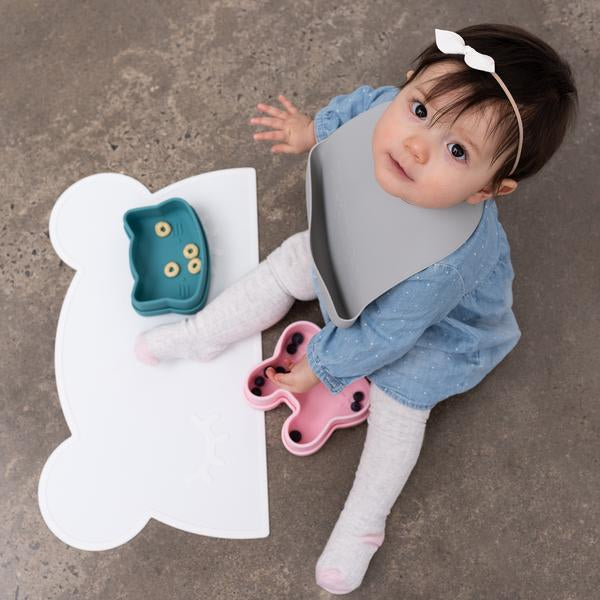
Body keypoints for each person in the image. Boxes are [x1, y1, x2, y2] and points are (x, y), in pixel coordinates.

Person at [134, 24, 578, 594]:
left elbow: (387, 334)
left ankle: (363, 522)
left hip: (438, 330)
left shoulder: (449, 263)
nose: (416, 145)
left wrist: (319, 366)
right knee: (296, 256)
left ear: (487, 190)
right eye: (420, 109)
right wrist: (311, 130)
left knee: (400, 399)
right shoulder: (384, 111)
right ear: (409, 84)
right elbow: (359, 109)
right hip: (361, 257)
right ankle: (204, 333)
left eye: (457, 151)